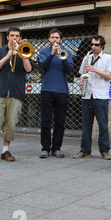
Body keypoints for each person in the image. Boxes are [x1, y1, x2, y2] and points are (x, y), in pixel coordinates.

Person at [0, 27, 33, 163]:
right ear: (7, 37)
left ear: (20, 38)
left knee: (11, 123)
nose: (14, 38)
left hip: (15, 93)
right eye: (12, 35)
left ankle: (5, 150)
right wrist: (8, 56)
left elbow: (28, 69)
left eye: (17, 36)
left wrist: (22, 55)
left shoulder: (23, 50)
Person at [72, 35, 111, 160]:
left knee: (103, 125)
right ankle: (85, 150)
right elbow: (82, 74)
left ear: (102, 46)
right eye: (92, 44)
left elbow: (109, 76)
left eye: (96, 45)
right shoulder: (87, 57)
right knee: (86, 125)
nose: (93, 47)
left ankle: (105, 150)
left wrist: (94, 70)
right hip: (87, 95)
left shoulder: (108, 58)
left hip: (101, 95)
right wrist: (81, 81)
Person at [38, 28, 73, 159]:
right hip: (47, 89)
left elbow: (69, 70)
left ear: (61, 40)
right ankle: (45, 148)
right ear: (49, 39)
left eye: (57, 38)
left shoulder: (67, 52)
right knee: (45, 121)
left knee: (60, 121)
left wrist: (61, 56)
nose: (54, 40)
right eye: (52, 37)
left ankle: (57, 148)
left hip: (62, 90)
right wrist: (52, 54)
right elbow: (43, 67)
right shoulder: (43, 52)